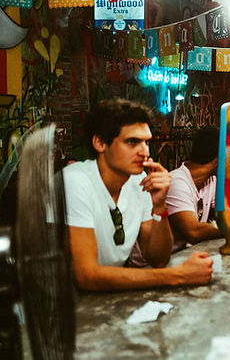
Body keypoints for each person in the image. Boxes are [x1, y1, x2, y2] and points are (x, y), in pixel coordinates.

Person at [64, 98, 213, 291]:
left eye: (146, 142)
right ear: (100, 143)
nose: (144, 151)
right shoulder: (74, 181)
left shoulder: (138, 181)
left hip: (107, 299)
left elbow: (158, 258)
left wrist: (160, 206)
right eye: (132, 142)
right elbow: (87, 275)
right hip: (62, 305)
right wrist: (180, 274)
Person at [166, 126, 222, 252]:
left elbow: (225, 214)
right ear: (220, 158)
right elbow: (193, 232)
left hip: (187, 254)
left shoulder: (211, 180)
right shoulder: (177, 182)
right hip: (159, 263)